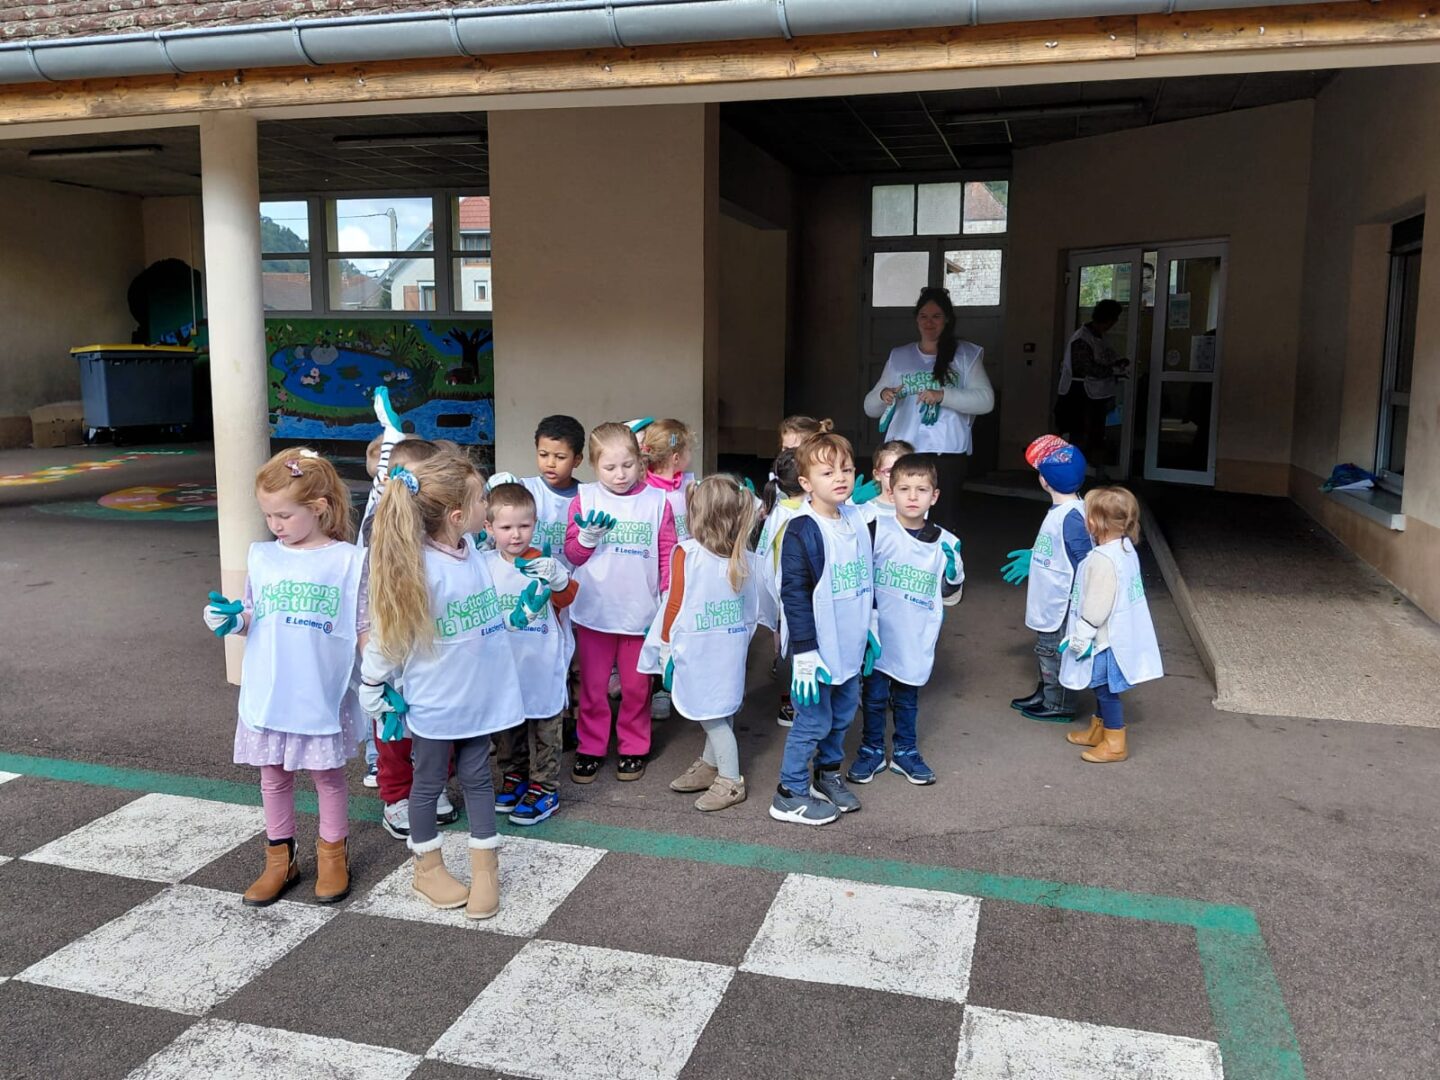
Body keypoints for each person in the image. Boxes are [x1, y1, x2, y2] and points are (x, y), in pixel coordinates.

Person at [360, 452, 526, 919]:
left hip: (479, 694)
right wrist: (372, 681)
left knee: (478, 777)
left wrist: (520, 613)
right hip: (439, 698)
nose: (487, 506)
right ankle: (427, 868)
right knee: (428, 782)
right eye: (481, 500)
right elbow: (391, 633)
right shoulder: (421, 567)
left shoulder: (470, 549)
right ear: (457, 515)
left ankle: (485, 868)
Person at [201, 448, 363, 907]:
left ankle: (333, 857)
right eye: (268, 515)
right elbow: (255, 612)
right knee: (272, 777)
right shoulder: (263, 557)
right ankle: (280, 859)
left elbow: (363, 624)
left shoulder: (349, 561)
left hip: (320, 690)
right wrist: (233, 620)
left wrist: (380, 677)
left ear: (319, 507)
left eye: (285, 515)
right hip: (269, 689)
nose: (275, 524)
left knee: (327, 777)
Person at [641, 476, 777, 812]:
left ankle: (730, 781)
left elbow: (674, 605)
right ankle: (709, 764)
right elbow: (758, 610)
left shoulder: (687, 554)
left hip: (697, 652)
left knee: (712, 718)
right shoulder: (748, 558)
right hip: (730, 652)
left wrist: (665, 649)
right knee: (720, 709)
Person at [771, 431, 877, 827]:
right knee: (812, 721)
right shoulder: (802, 529)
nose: (841, 478)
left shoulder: (857, 519)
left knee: (843, 714)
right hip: (815, 650)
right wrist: (804, 652)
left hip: (849, 645)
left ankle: (826, 775)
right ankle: (790, 792)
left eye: (846, 469)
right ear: (805, 482)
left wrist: (871, 629)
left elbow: (868, 579)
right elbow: (794, 595)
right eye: (827, 472)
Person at [360, 435, 461, 840]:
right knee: (394, 734)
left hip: (433, 649)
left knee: (436, 724)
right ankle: (397, 797)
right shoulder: (381, 524)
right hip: (394, 648)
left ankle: (433, 786)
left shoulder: (442, 530)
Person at [565, 422, 677, 783]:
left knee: (636, 687)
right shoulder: (585, 498)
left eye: (627, 465)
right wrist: (585, 539)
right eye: (609, 467)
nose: (619, 474)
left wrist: (667, 600)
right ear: (593, 465)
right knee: (593, 686)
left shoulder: (657, 502)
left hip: (640, 613)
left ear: (640, 461)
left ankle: (633, 746)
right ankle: (591, 746)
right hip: (595, 611)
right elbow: (573, 555)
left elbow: (667, 555)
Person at [847, 454, 963, 787]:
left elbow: (948, 590)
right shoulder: (875, 530)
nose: (913, 497)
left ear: (934, 496)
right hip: (879, 635)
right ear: (890, 491)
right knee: (873, 697)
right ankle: (871, 749)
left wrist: (953, 574)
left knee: (907, 698)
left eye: (921, 490)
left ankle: (905, 751)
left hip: (915, 636)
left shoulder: (946, 542)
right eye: (904, 489)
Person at [483, 482, 578, 826]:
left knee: (546, 729)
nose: (515, 534)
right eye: (506, 527)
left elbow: (568, 597)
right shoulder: (483, 565)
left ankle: (545, 787)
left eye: (524, 525)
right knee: (507, 728)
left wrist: (557, 581)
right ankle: (514, 776)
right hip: (503, 667)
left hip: (541, 665)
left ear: (535, 524)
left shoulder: (546, 563)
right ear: (489, 527)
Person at [863, 286, 994, 531]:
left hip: (946, 455)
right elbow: (870, 407)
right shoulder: (899, 356)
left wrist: (943, 395)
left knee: (940, 524)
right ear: (916, 320)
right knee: (898, 519)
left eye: (936, 316)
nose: (929, 322)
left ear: (947, 319)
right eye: (923, 316)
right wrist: (883, 395)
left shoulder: (966, 355)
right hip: (902, 453)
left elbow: (985, 400)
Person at [1058, 486, 1163, 763]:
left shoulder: (1103, 560)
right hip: (1117, 635)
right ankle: (1099, 730)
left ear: (1094, 522)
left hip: (1104, 639)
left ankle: (1115, 741)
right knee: (1101, 685)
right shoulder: (1124, 550)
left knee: (1105, 689)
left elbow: (1097, 604)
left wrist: (1082, 633)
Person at [1004, 435, 1093, 723]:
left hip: (1062, 603)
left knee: (1055, 652)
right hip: (1050, 597)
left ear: (1044, 480)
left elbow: (1086, 561)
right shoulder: (1064, 511)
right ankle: (1046, 691)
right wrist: (1035, 557)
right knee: (1046, 650)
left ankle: (1059, 704)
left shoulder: (1071, 517)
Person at [641, 418, 697, 721]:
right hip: (658, 577)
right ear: (676, 457)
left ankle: (687, 682)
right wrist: (665, 582)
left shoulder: (689, 484)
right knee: (658, 631)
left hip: (688, 571)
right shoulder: (646, 491)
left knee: (683, 628)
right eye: (688, 451)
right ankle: (660, 688)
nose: (691, 457)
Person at [756, 448, 805, 728]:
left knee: (786, 648)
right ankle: (793, 703)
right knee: (797, 650)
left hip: (782, 593)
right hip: (799, 595)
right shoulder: (804, 513)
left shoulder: (779, 508)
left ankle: (788, 703)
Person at [1057, 299, 1129, 479]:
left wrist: (1117, 364)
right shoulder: (1082, 339)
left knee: (1095, 433)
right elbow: (1085, 367)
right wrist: (1113, 370)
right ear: (1109, 320)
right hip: (1081, 394)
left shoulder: (1099, 337)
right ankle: (1079, 471)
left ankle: (1093, 468)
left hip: (1095, 394)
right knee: (1082, 433)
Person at [520, 414, 586, 567]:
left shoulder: (587, 497)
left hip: (569, 579)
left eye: (560, 457)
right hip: (525, 576)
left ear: (577, 460)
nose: (550, 463)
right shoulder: (524, 489)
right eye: (543, 455)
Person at [855, 439, 914, 525]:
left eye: (904, 470)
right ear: (877, 475)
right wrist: (850, 503)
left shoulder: (918, 508)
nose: (897, 476)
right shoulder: (865, 511)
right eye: (889, 471)